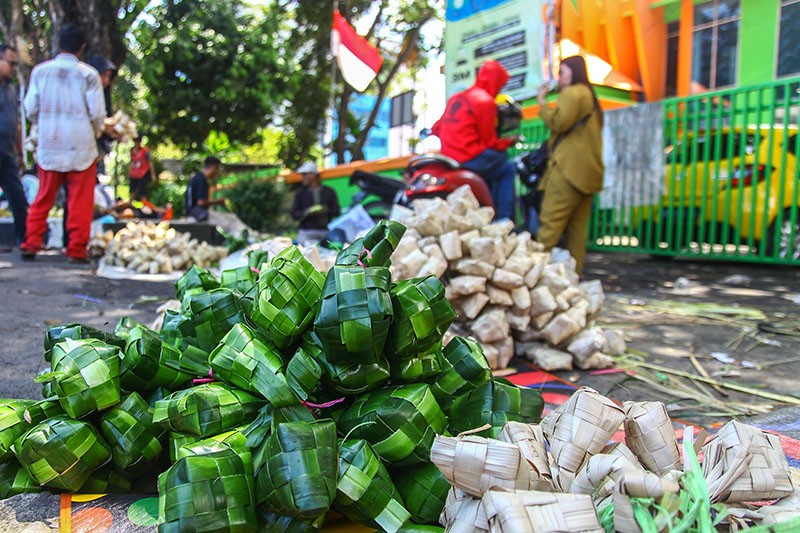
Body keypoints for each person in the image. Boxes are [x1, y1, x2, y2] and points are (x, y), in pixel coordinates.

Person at [21, 25, 107, 263]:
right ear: (81, 47)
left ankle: (31, 243)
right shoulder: (88, 74)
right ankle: (76, 250)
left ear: (58, 44)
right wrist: (97, 133)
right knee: (80, 200)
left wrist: (45, 125)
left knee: (43, 198)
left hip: (50, 143)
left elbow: (30, 109)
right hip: (80, 145)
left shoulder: (40, 72)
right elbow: (97, 114)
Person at [536, 55, 604, 275]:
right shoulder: (591, 97)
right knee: (577, 232)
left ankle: (532, 274)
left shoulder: (574, 93)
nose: (560, 79)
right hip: (588, 173)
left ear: (573, 72)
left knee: (550, 226)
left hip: (567, 170)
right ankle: (574, 280)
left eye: (562, 73)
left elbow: (559, 122)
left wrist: (542, 102)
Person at [431, 59, 517, 221]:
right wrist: (508, 142)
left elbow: (435, 128)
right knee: (507, 166)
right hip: (469, 158)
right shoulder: (485, 101)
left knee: (495, 163)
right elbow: (490, 142)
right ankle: (504, 219)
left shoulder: (456, 98)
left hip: (448, 158)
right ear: (496, 81)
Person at [0, 43, 28, 252]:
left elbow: (17, 123)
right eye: (11, 63)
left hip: (7, 150)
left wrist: (20, 153)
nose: (13, 68)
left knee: (17, 196)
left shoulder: (10, 90)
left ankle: (24, 239)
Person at [290, 161, 340, 245]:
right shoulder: (300, 193)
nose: (303, 178)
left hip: (325, 231)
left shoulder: (329, 191)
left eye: (304, 175)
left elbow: (336, 211)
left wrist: (325, 210)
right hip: (307, 231)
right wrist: (307, 212)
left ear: (312, 175)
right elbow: (294, 214)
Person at [185, 156, 225, 222]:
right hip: (196, 215)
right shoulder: (201, 180)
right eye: (216, 169)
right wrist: (219, 201)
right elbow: (201, 202)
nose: (217, 172)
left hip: (192, 212)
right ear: (213, 167)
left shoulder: (197, 177)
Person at [129, 135, 156, 200]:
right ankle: (130, 204)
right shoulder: (132, 150)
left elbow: (150, 162)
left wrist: (153, 174)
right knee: (132, 190)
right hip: (134, 174)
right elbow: (132, 162)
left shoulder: (145, 151)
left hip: (142, 174)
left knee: (142, 191)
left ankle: (144, 206)